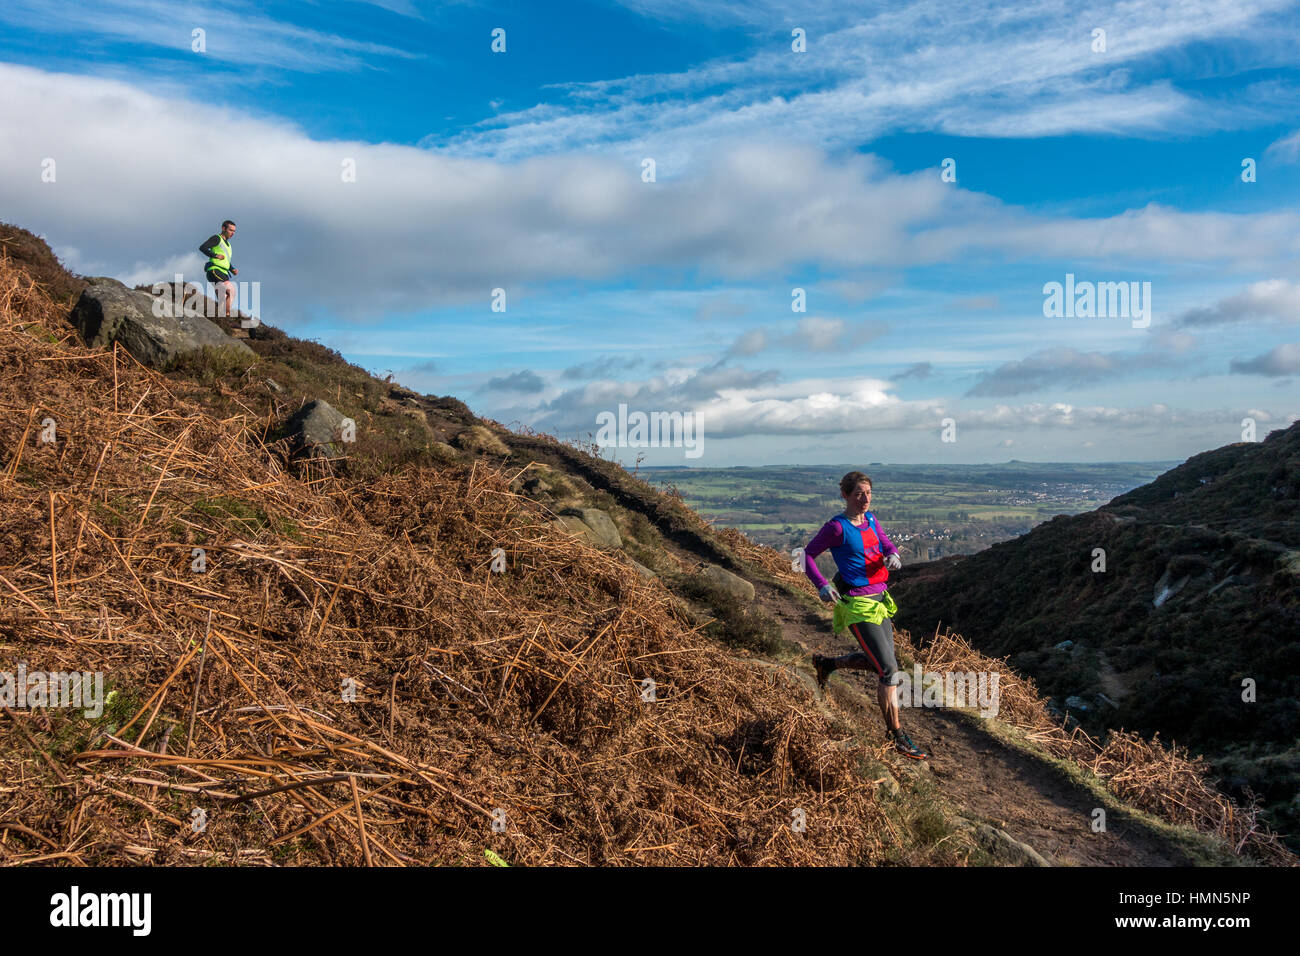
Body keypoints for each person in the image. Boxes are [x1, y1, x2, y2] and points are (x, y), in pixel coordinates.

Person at [802, 471, 928, 760]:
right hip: (857, 603)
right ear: (845, 495)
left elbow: (886, 544)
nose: (865, 499)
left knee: (884, 664)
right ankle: (896, 735)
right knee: (888, 670)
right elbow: (807, 556)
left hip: (880, 598)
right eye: (859, 493)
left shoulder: (871, 519)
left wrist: (893, 555)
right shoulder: (837, 527)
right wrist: (821, 584)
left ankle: (827, 665)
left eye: (868, 493)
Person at [199, 220, 238, 317]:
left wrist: (232, 269)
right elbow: (203, 247)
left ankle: (220, 317)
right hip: (215, 270)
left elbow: (226, 261)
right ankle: (227, 315)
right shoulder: (217, 238)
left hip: (224, 272)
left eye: (234, 231)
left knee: (224, 296)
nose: (232, 233)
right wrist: (215, 255)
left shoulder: (228, 246)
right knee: (231, 290)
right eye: (230, 230)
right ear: (223, 228)